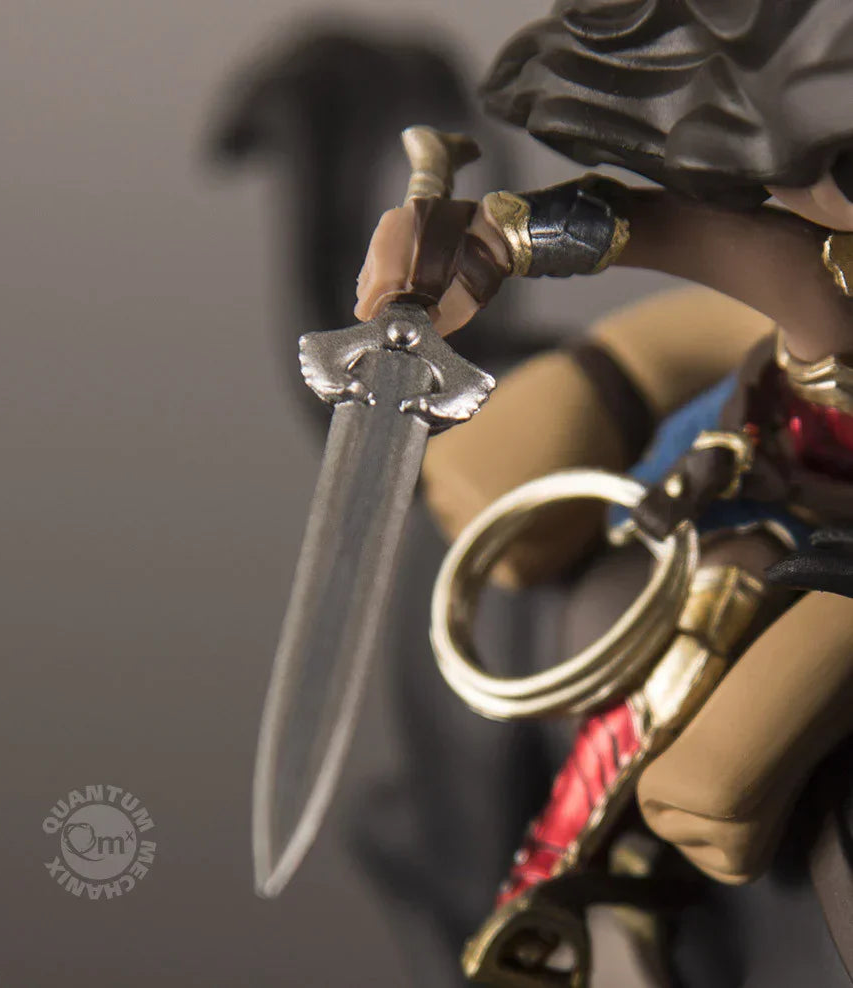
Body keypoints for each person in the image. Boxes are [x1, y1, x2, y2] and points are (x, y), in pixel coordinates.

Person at [355, 1, 853, 983]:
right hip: (782, 472)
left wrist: (503, 238)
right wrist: (492, 239)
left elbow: (715, 249)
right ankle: (573, 885)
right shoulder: (813, 263)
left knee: (723, 764)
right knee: (673, 642)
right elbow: (690, 238)